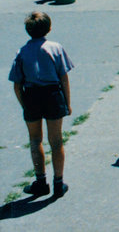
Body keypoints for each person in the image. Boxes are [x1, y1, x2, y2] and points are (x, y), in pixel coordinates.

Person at [8, 11, 73, 198]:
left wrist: (24, 105)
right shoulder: (56, 48)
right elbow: (64, 77)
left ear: (27, 30)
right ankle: (59, 182)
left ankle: (40, 181)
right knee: (56, 141)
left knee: (35, 140)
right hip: (53, 94)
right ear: (49, 28)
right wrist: (67, 103)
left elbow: (17, 84)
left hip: (32, 96)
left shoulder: (21, 52)